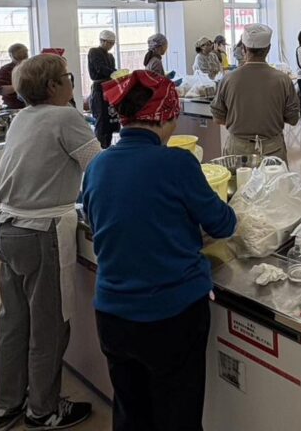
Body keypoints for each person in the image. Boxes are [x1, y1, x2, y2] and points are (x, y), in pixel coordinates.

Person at [84, 70, 236, 431]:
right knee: (177, 416)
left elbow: (100, 222)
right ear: (165, 117)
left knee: (131, 414)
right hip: (171, 315)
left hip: (113, 316)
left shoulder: (98, 165)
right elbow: (223, 224)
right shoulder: (177, 163)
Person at [0, 54, 100, 431]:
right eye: (68, 77)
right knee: (49, 324)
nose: (72, 83)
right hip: (39, 232)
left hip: (5, 228)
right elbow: (99, 166)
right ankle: (43, 410)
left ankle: (8, 405)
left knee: (13, 321)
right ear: (54, 86)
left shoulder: (23, 117)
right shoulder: (65, 116)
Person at [211, 24, 299, 162]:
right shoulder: (283, 80)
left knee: (236, 178)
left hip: (237, 151)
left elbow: (217, 117)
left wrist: (240, 121)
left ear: (244, 48)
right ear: (268, 49)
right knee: (276, 178)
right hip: (273, 151)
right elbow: (293, 119)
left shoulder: (228, 79)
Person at [88, 30, 119, 149]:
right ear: (102, 41)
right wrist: (116, 73)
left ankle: (108, 145)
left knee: (110, 119)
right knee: (101, 119)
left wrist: (118, 74)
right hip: (99, 90)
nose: (110, 45)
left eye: (112, 43)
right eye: (109, 43)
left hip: (110, 89)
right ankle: (100, 148)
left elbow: (111, 71)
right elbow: (100, 68)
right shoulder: (94, 52)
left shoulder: (110, 56)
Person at [0, 43, 29, 109]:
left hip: (33, 105)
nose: (21, 61)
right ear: (11, 55)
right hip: (13, 106)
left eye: (24, 56)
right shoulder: (5, 70)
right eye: (18, 57)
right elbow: (0, 89)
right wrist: (20, 87)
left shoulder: (33, 67)